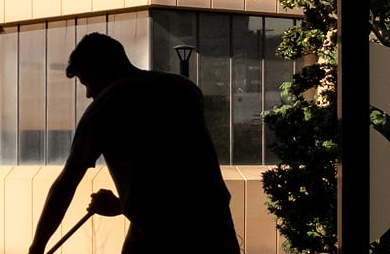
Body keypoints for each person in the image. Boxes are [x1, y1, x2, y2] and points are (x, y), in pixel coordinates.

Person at [27, 33, 241, 254]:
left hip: (158, 238)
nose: (89, 93)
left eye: (87, 83)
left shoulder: (106, 106)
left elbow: (65, 185)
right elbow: (175, 177)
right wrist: (123, 205)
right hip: (216, 228)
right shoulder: (184, 89)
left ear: (101, 69)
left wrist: (38, 246)